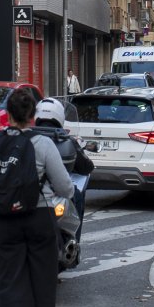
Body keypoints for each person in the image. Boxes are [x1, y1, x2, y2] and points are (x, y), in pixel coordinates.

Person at [0, 89, 75, 307]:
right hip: (39, 218)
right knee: (43, 282)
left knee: (9, 282)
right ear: (32, 116)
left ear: (7, 115)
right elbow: (65, 187)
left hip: (4, 221)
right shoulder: (43, 143)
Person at [32, 97, 94, 236]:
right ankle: (74, 241)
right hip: (52, 195)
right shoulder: (65, 140)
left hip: (26, 195)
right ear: (59, 116)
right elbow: (86, 168)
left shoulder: (27, 137)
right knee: (76, 195)